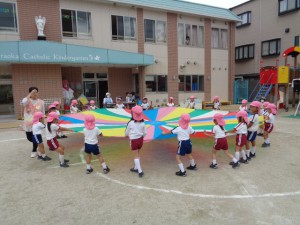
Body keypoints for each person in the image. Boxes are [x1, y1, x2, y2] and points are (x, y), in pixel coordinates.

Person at [22, 87, 45, 158]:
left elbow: (43, 112)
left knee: (35, 135)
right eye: (33, 92)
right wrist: (30, 94)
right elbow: (23, 103)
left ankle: (34, 150)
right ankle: (39, 144)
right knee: (29, 138)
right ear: (30, 93)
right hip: (28, 123)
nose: (35, 93)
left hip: (37, 124)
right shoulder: (27, 101)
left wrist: (43, 122)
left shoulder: (41, 102)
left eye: (36, 92)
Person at [125, 106, 147, 178]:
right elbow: (145, 133)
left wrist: (127, 135)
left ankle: (140, 171)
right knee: (138, 154)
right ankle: (135, 168)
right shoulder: (143, 123)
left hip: (134, 140)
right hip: (140, 140)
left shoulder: (130, 123)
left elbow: (126, 133)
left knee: (136, 155)